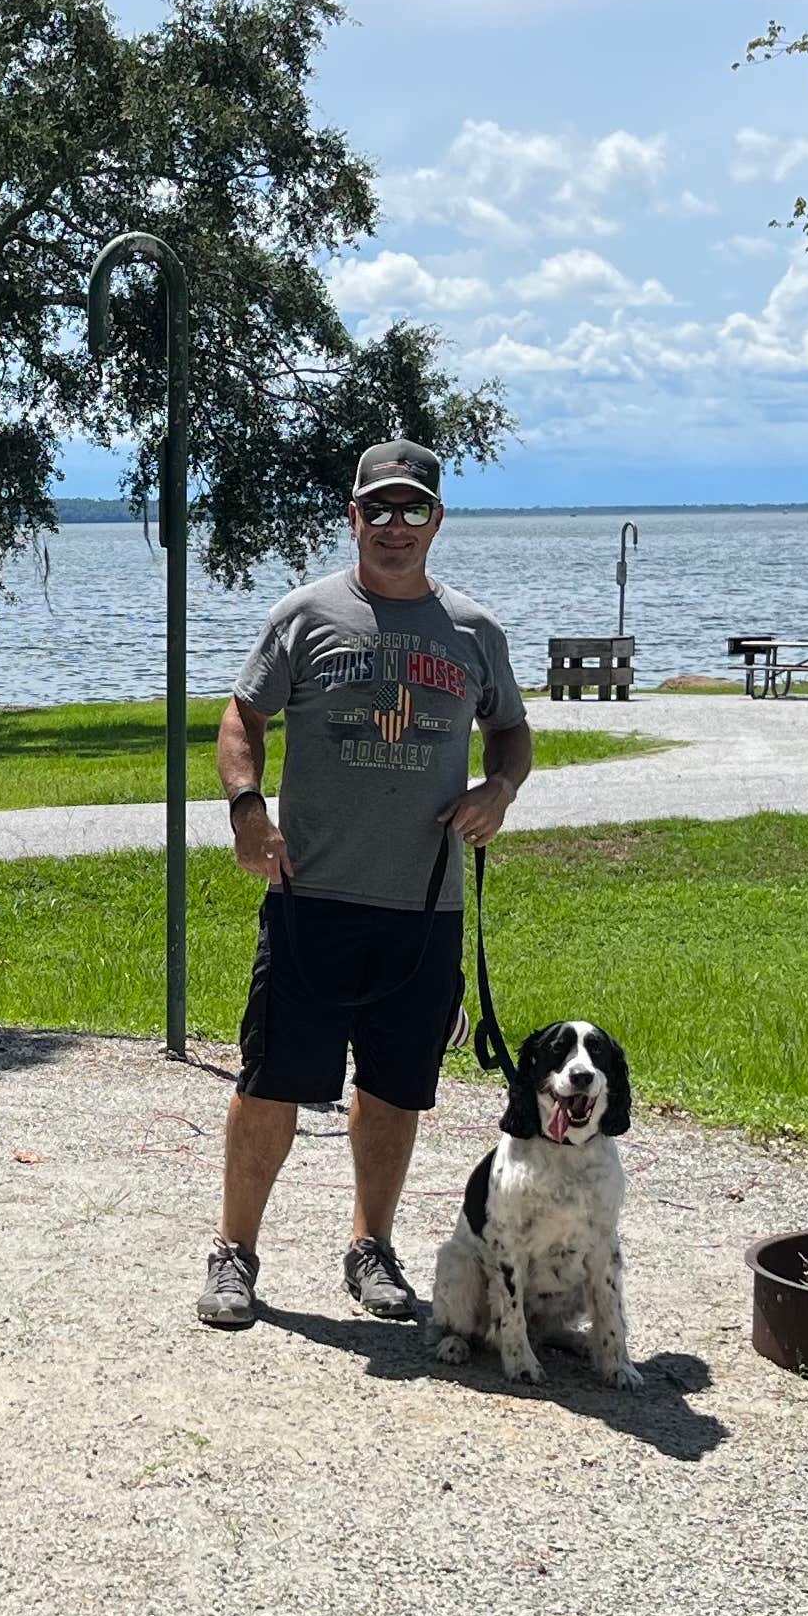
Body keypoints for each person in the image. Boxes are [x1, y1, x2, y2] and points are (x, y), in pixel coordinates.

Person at [200, 439, 532, 1330]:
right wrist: (245, 809)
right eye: (377, 509)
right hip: (311, 896)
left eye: (412, 508)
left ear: (437, 519)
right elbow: (243, 715)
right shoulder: (305, 616)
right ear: (352, 517)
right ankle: (234, 1252)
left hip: (423, 906)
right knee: (271, 1079)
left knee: (394, 1084)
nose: (394, 525)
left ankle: (370, 1247)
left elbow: (512, 733)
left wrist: (498, 790)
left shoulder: (473, 631)